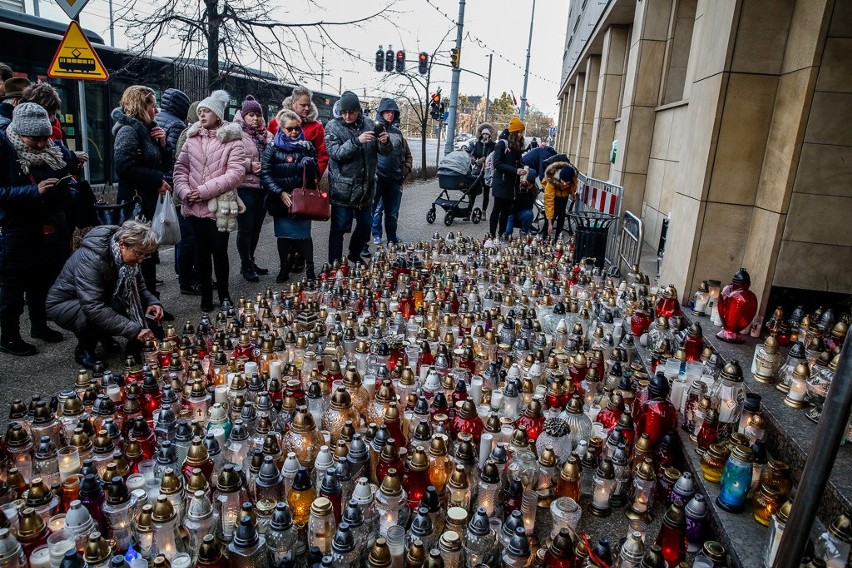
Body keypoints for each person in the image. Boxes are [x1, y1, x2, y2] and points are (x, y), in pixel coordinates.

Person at [0, 103, 78, 356]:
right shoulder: (4, 150)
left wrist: (66, 189)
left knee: (42, 280)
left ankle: (40, 325)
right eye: (35, 139)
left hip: (49, 224)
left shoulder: (53, 151)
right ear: (20, 133)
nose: (42, 144)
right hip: (16, 228)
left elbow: (66, 176)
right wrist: (34, 191)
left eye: (45, 137)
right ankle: (9, 336)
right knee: (12, 286)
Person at [46, 221, 163, 369]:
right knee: (90, 316)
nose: (140, 260)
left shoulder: (128, 258)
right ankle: (84, 351)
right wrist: (134, 330)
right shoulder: (91, 259)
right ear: (122, 244)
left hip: (101, 297)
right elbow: (93, 306)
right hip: (65, 304)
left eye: (145, 256)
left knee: (134, 303)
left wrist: (153, 302)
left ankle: (104, 336)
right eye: (138, 253)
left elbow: (139, 287)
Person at [173, 90, 245, 312]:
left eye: (206, 111)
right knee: (201, 253)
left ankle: (224, 294)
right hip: (194, 206)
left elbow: (235, 173)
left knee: (220, 251)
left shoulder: (232, 140)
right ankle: (206, 295)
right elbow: (180, 168)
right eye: (200, 112)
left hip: (218, 207)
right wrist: (185, 192)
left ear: (217, 114)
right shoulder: (191, 138)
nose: (201, 115)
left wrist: (202, 191)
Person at [112, 85, 172, 304]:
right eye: (152, 105)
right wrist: (156, 180)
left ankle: (150, 303)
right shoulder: (128, 130)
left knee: (147, 255)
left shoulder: (148, 130)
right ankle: (140, 304)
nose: (155, 111)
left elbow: (163, 163)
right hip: (135, 203)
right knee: (138, 255)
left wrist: (164, 144)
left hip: (148, 202)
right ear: (141, 105)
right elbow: (124, 167)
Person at [324, 90, 391, 264]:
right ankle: (334, 263)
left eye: (351, 112)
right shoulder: (333, 126)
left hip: (366, 189)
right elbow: (335, 153)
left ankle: (354, 253)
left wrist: (385, 142)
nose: (347, 116)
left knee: (365, 225)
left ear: (358, 110)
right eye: (344, 112)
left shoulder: (369, 123)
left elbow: (385, 152)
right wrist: (356, 141)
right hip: (343, 188)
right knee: (339, 228)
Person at [269, 86, 330, 274]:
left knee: (303, 219)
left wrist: (312, 177)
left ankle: (301, 259)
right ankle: (287, 260)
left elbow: (321, 154)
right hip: (283, 183)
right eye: (302, 105)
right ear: (293, 103)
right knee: (285, 228)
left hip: (304, 182)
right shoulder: (276, 122)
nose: (306, 108)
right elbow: (271, 152)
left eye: (308, 105)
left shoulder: (316, 126)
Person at [261, 109, 319, 283]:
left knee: (304, 236)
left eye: (296, 128)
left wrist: (309, 164)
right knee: (284, 236)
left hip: (301, 199)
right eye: (289, 129)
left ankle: (310, 268)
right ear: (281, 128)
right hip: (281, 199)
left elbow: (315, 175)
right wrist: (278, 192)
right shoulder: (273, 148)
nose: (294, 132)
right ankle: (284, 268)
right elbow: (265, 174)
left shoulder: (306, 146)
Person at [235, 95, 273, 282]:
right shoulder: (236, 133)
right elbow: (229, 160)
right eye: (251, 114)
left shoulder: (267, 135)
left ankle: (251, 259)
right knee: (246, 228)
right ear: (244, 116)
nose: (255, 118)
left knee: (257, 228)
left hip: (262, 187)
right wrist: (249, 165)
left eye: (258, 114)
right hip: (245, 187)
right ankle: (246, 264)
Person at [370, 98, 412, 246]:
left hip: (394, 179)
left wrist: (403, 172)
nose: (390, 115)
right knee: (373, 212)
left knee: (392, 214)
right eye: (387, 112)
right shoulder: (373, 130)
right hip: (378, 178)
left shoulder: (397, 133)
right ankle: (366, 243)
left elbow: (405, 155)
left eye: (393, 112)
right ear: (381, 112)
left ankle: (392, 240)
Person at [173, 101, 204, 295]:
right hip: (186, 196)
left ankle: (198, 277)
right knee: (187, 240)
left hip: (198, 196)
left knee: (196, 240)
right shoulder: (188, 134)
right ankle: (185, 280)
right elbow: (183, 165)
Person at [489, 117, 527, 238]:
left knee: (506, 211)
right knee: (497, 209)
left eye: (522, 132)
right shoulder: (502, 143)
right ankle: (491, 235)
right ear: (514, 132)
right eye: (519, 132)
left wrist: (524, 168)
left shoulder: (516, 146)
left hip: (511, 184)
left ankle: (501, 235)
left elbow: (517, 162)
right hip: (501, 182)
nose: (521, 135)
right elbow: (497, 163)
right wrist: (515, 170)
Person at [543, 161, 577, 240]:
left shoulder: (573, 176)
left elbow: (573, 185)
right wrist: (550, 223)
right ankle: (544, 238)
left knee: (561, 217)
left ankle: (558, 239)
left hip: (564, 197)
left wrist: (572, 192)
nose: (565, 184)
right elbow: (549, 202)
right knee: (551, 216)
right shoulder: (551, 180)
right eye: (563, 181)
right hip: (554, 197)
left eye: (567, 182)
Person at [470, 121, 496, 214]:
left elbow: (492, 155)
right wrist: (473, 159)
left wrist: (484, 159)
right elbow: (474, 153)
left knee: (486, 191)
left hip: (487, 169)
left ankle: (484, 211)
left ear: (489, 135)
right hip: (478, 168)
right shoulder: (478, 144)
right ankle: (469, 210)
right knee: (473, 188)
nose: (485, 136)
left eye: (487, 134)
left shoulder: (493, 145)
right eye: (483, 134)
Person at [504, 168, 538, 237]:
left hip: (523, 213)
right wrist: (521, 191)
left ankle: (523, 232)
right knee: (508, 232)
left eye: (531, 184)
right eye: (528, 183)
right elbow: (513, 206)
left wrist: (525, 192)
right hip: (511, 213)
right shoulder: (516, 186)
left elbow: (529, 206)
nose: (529, 186)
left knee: (529, 214)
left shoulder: (533, 191)